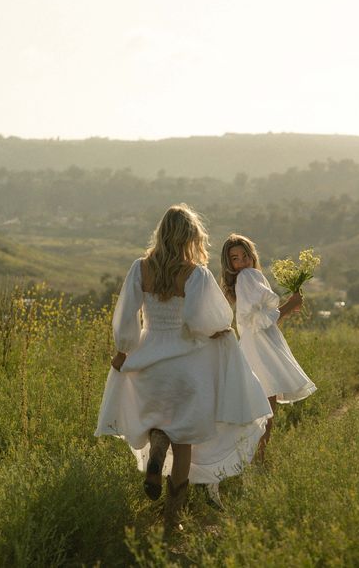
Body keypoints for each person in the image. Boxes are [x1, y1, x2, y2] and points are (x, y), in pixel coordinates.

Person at [95, 206, 272, 535]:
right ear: (191, 237)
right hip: (185, 366)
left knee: (161, 421)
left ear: (161, 233)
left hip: (149, 360)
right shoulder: (196, 273)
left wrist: (124, 350)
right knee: (185, 442)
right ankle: (172, 520)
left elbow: (126, 318)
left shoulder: (140, 268)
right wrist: (218, 330)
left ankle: (157, 442)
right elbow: (200, 321)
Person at [220, 234, 316, 461]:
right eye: (235, 258)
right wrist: (289, 305)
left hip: (259, 344)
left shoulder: (247, 278)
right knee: (266, 408)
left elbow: (262, 320)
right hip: (260, 348)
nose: (242, 262)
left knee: (264, 407)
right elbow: (257, 321)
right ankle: (256, 459)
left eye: (245, 256)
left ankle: (255, 457)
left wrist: (287, 309)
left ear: (253, 256)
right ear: (229, 263)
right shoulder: (248, 277)